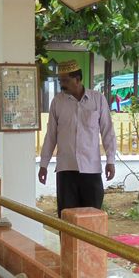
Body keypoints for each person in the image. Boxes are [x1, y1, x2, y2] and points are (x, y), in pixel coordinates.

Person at [38, 60, 116, 217]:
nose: (62, 85)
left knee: (92, 218)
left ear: (78, 79)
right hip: (66, 170)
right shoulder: (57, 102)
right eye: (60, 81)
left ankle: (90, 243)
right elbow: (51, 135)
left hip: (91, 169)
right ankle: (67, 243)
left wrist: (111, 161)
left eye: (65, 81)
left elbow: (108, 131)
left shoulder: (98, 99)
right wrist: (43, 164)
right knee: (67, 218)